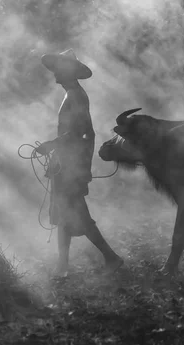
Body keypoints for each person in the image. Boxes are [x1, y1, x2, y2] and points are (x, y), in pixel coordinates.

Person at [35, 49, 123, 275]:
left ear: (67, 72)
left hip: (70, 166)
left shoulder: (76, 95)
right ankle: (63, 265)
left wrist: (53, 146)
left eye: (58, 69)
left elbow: (82, 132)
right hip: (65, 164)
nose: (54, 73)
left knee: (77, 215)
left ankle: (111, 258)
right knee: (64, 215)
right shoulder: (72, 94)